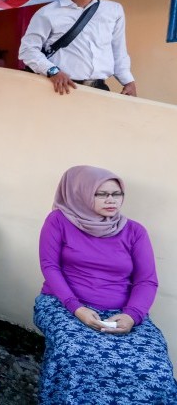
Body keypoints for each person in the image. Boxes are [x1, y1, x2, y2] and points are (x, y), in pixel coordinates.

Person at [33, 166, 177, 404]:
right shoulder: (58, 220)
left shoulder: (134, 231)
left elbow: (146, 280)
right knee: (76, 354)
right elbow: (50, 266)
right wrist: (76, 308)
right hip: (63, 304)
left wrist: (132, 316)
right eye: (101, 193)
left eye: (116, 194)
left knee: (154, 365)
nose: (111, 200)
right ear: (81, 193)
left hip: (122, 312)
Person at [19, 0, 136, 96]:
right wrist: (53, 71)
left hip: (99, 91)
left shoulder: (114, 10)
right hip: (60, 89)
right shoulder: (47, 13)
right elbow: (28, 50)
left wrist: (128, 81)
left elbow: (118, 51)